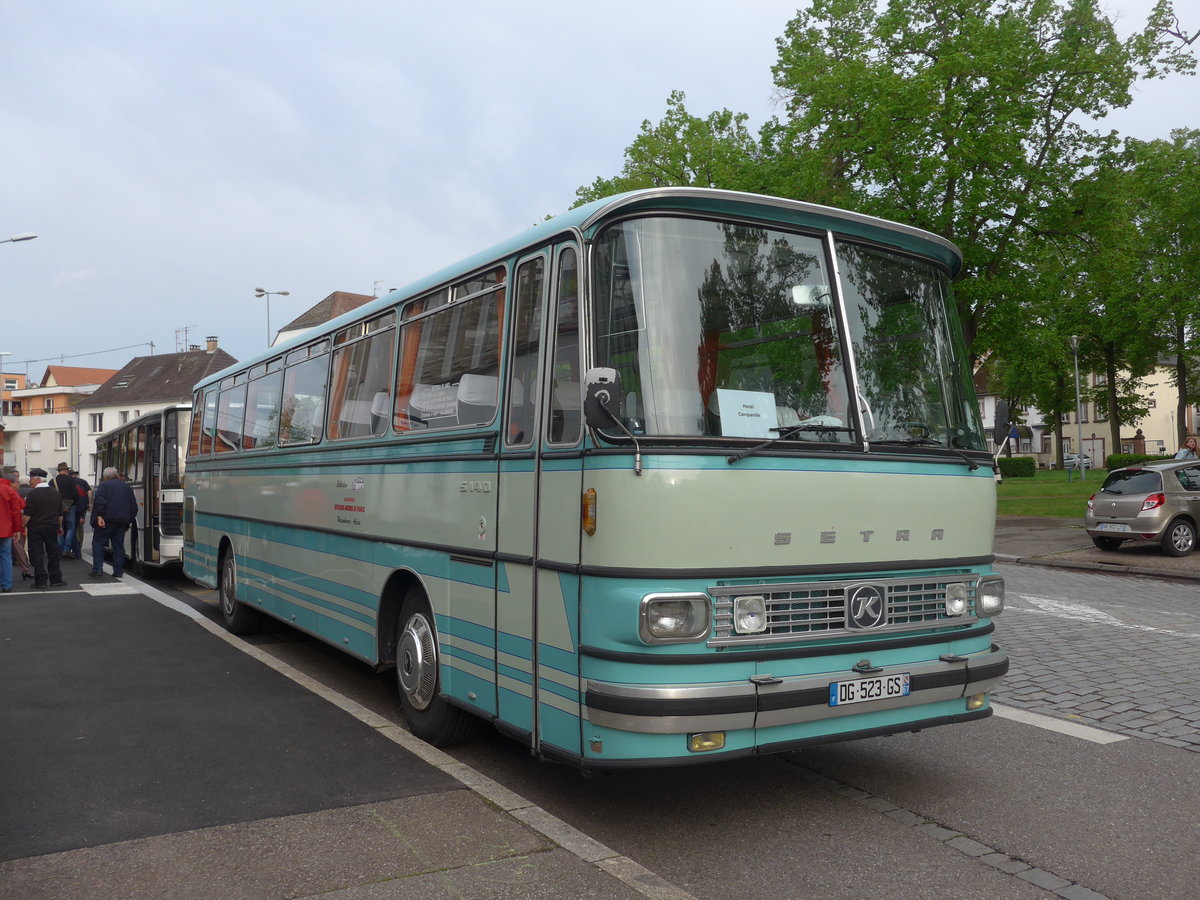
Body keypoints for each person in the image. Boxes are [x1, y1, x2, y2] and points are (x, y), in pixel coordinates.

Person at [23, 468, 68, 589]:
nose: (30, 481)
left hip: (35, 528)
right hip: (51, 527)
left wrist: (22, 526)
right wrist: (59, 526)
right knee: (53, 553)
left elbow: (27, 515)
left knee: (37, 553)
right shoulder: (55, 493)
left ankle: (40, 580)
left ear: (37, 479)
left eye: (31, 479)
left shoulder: (32, 494)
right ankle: (56, 579)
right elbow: (60, 514)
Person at [90, 467, 138, 579]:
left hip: (106, 520)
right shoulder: (127, 487)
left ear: (106, 477)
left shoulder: (104, 486)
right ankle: (118, 571)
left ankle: (97, 569)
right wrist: (128, 519)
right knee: (118, 545)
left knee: (98, 542)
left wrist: (99, 516)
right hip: (122, 521)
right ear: (117, 475)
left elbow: (100, 501)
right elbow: (133, 506)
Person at [0, 472, 23, 593]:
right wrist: (17, 529)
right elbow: (16, 511)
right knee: (5, 556)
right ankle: (6, 584)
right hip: (6, 528)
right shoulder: (9, 490)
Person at [54, 462, 79, 558]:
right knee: (71, 527)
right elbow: (75, 493)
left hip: (57, 507)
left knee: (59, 527)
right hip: (70, 506)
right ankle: (66, 548)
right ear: (65, 471)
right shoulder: (71, 480)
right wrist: (73, 503)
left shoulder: (53, 481)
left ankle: (60, 549)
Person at [70, 469, 91, 559]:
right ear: (77, 475)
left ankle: (75, 547)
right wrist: (89, 503)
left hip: (71, 508)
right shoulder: (83, 482)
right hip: (82, 508)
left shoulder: (69, 482)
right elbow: (90, 492)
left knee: (72, 528)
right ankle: (80, 545)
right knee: (80, 527)